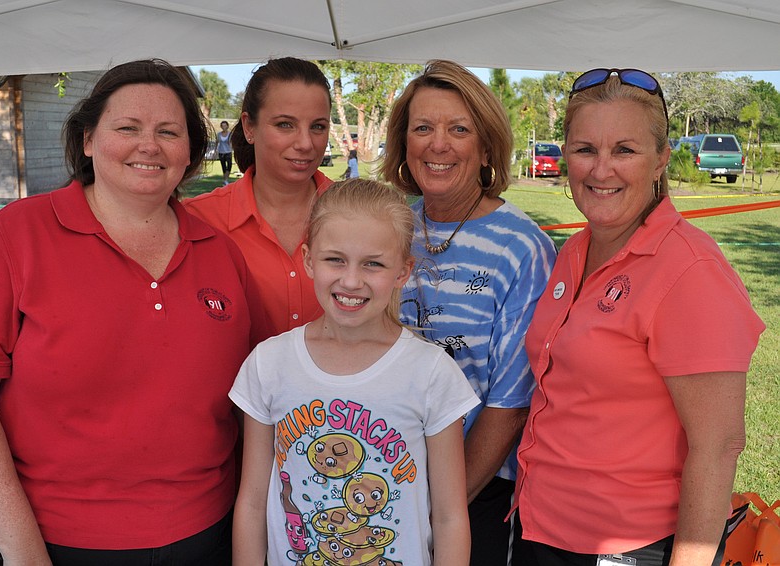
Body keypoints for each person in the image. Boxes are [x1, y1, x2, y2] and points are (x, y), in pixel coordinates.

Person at [0, 59, 271, 565]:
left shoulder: (220, 253)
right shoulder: (18, 235)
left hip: (208, 535)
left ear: (190, 152)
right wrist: (24, 553)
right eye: (127, 128)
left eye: (168, 132)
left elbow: (255, 395)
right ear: (88, 139)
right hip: (52, 541)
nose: (148, 145)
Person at [514, 68, 765, 566]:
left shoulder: (690, 270)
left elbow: (717, 448)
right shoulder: (578, 249)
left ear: (661, 160)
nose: (600, 169)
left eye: (624, 150)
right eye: (585, 149)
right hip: (541, 525)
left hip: (628, 546)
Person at [230, 179, 480, 565]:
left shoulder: (431, 373)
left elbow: (449, 517)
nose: (350, 281)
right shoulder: (269, 364)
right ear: (309, 260)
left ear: (402, 271)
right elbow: (251, 502)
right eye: (335, 260)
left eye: (373, 264)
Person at [380, 59, 557, 565]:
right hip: (380, 482)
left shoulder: (522, 248)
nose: (438, 144)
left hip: (473, 496)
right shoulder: (391, 225)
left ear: (485, 147)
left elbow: (510, 404)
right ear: (403, 142)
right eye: (423, 128)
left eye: (459, 129)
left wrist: (440, 509)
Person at [184, 57, 334, 335]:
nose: (305, 143)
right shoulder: (196, 221)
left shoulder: (361, 214)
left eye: (318, 126)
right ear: (250, 127)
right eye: (285, 125)